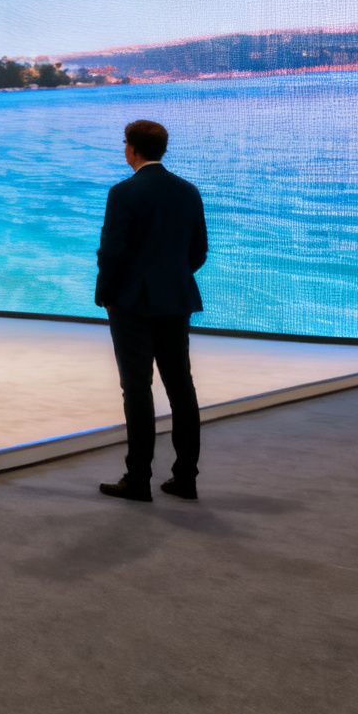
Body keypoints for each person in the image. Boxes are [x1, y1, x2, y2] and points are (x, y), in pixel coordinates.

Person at [95, 120, 208, 503]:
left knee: (138, 390)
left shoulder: (123, 193)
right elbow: (198, 252)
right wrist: (171, 277)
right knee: (181, 388)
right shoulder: (188, 191)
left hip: (132, 304)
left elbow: (112, 252)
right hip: (176, 300)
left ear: (132, 149)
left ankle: (138, 479)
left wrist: (106, 294)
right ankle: (185, 478)